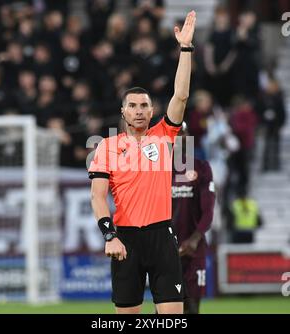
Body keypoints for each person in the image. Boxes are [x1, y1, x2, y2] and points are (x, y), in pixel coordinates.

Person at [88, 11, 196, 314]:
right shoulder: (106, 147)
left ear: (152, 112)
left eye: (144, 106)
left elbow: (182, 94)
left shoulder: (165, 134)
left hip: (162, 236)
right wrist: (109, 235)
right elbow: (97, 197)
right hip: (125, 239)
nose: (138, 110)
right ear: (123, 112)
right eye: (132, 106)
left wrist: (185, 49)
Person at [172, 123, 215, 314]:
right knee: (167, 308)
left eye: (184, 131)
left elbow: (208, 210)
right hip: (165, 251)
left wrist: (194, 239)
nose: (181, 135)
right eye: (176, 132)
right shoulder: (155, 172)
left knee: (191, 307)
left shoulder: (202, 168)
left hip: (193, 249)